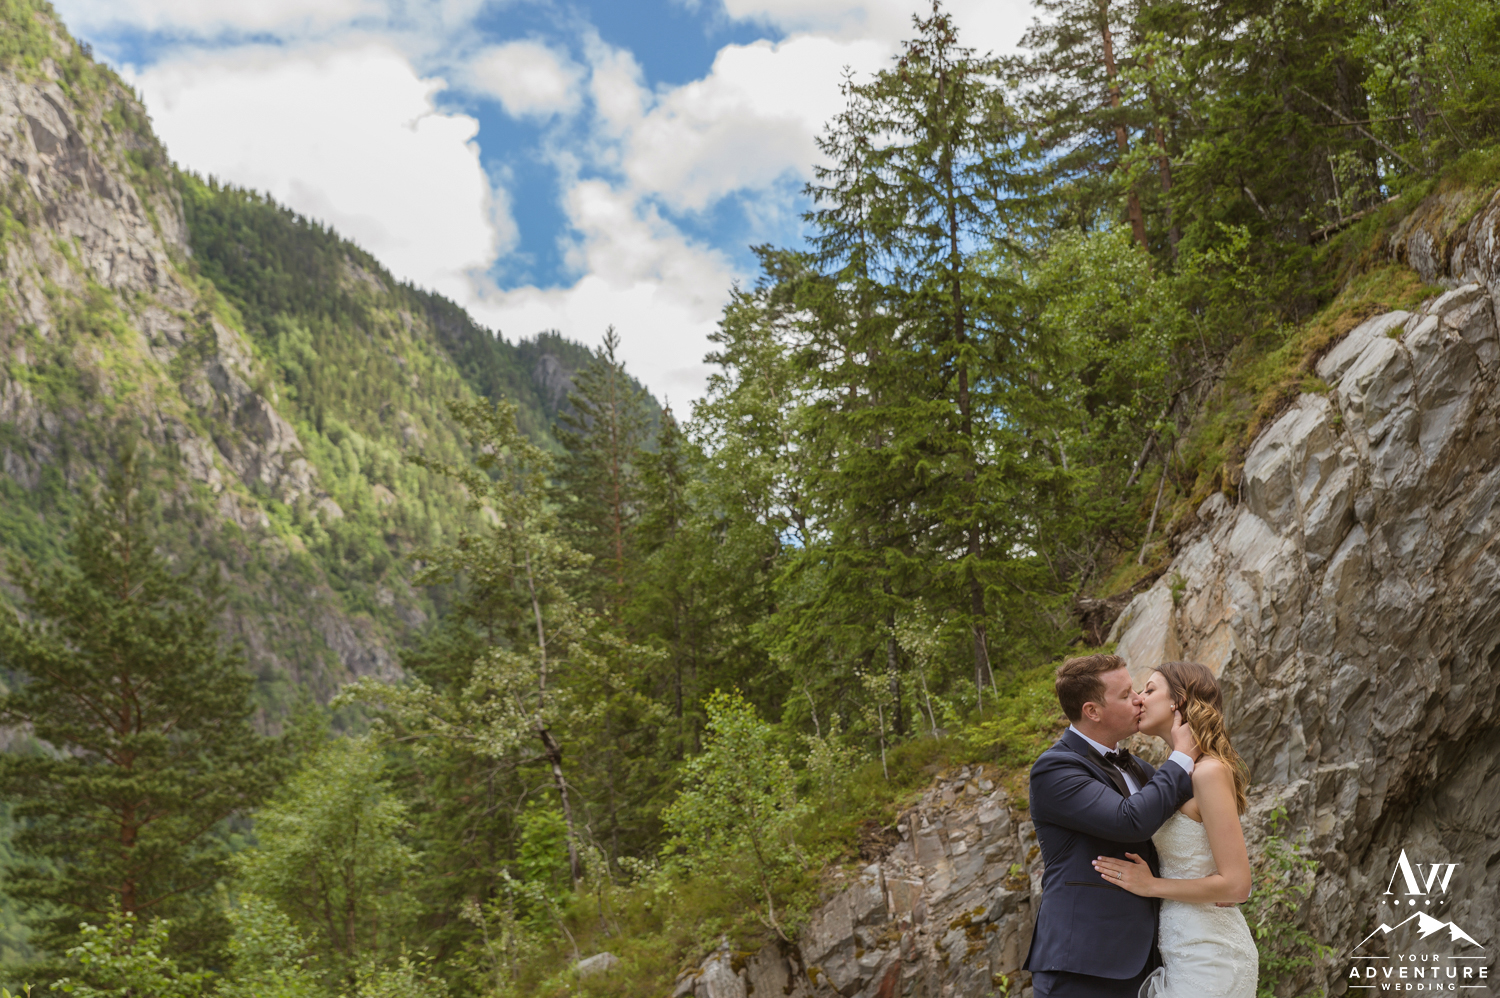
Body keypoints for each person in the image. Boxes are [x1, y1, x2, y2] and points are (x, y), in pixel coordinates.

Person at [1024, 654, 1200, 997]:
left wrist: (1216, 883)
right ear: (1092, 711)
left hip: (1150, 962)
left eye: (1136, 690)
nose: (1138, 699)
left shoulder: (1139, 769)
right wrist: (1181, 755)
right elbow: (1130, 820)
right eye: (1125, 695)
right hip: (1083, 965)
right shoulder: (1055, 768)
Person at [1091, 661, 1258, 998]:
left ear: (1177, 701)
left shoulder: (1208, 773)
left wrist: (1152, 885)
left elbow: (1238, 885)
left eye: (1150, 690)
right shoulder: (1170, 776)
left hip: (1211, 953)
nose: (1139, 699)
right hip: (1182, 948)